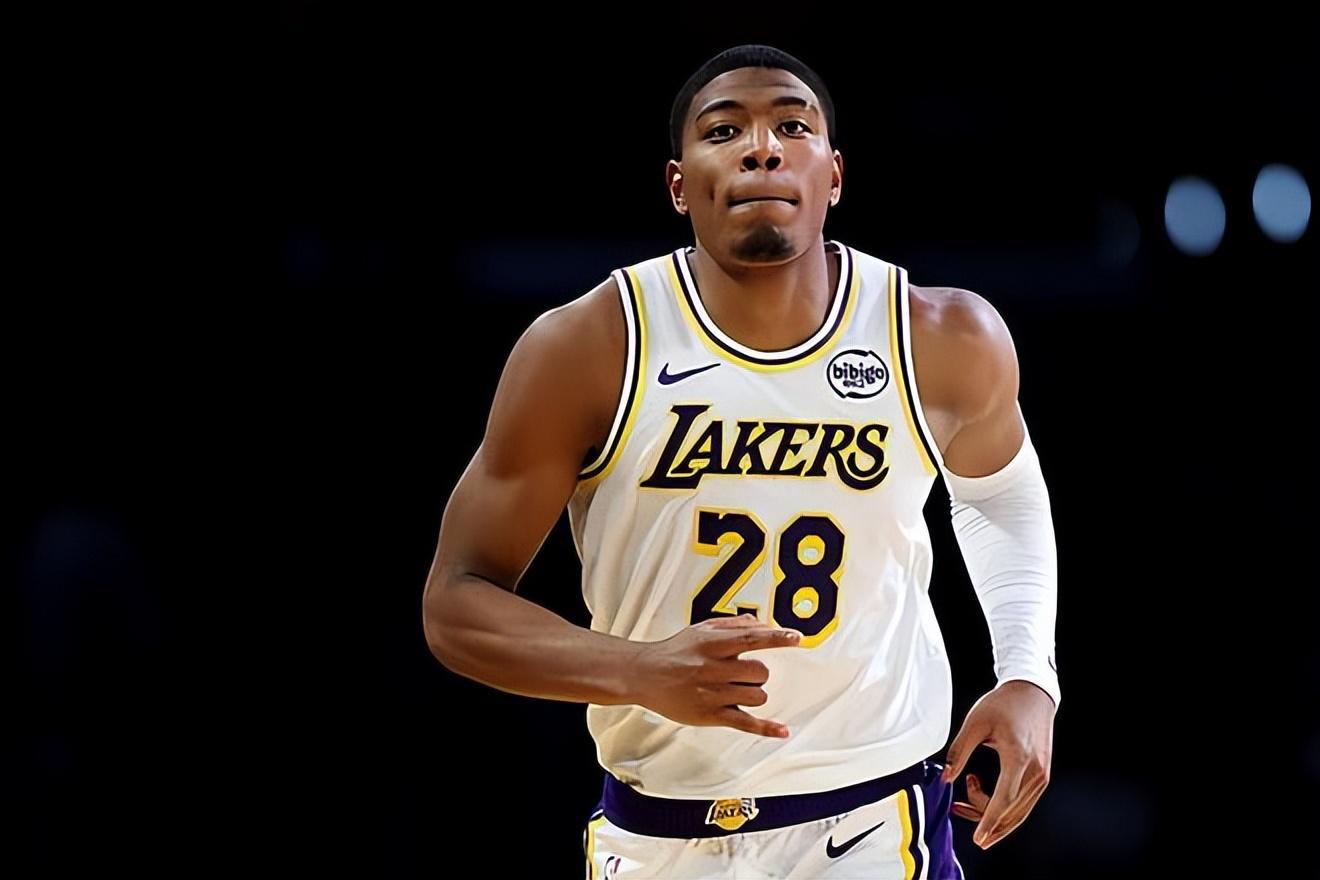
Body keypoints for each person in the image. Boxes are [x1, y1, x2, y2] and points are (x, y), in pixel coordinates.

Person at [422, 43, 1059, 879]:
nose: (762, 148)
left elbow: (1001, 496)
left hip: (875, 823)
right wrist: (635, 670)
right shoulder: (590, 345)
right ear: (678, 184)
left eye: (792, 126)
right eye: (724, 131)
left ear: (834, 175)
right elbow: (456, 602)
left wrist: (1028, 675)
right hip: (659, 831)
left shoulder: (938, 335)